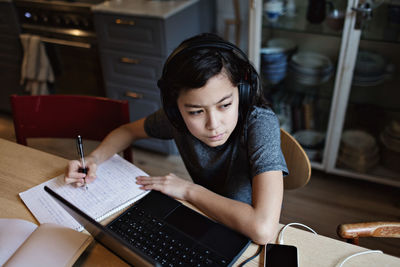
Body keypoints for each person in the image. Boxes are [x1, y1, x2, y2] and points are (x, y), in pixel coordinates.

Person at [64, 33, 288, 244]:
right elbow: (127, 131)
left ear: (243, 91)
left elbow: (263, 229)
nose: (213, 124)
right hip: (205, 218)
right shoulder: (176, 121)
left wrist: (188, 190)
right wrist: (93, 158)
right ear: (175, 109)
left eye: (225, 105)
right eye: (196, 111)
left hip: (244, 231)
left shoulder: (261, 124)